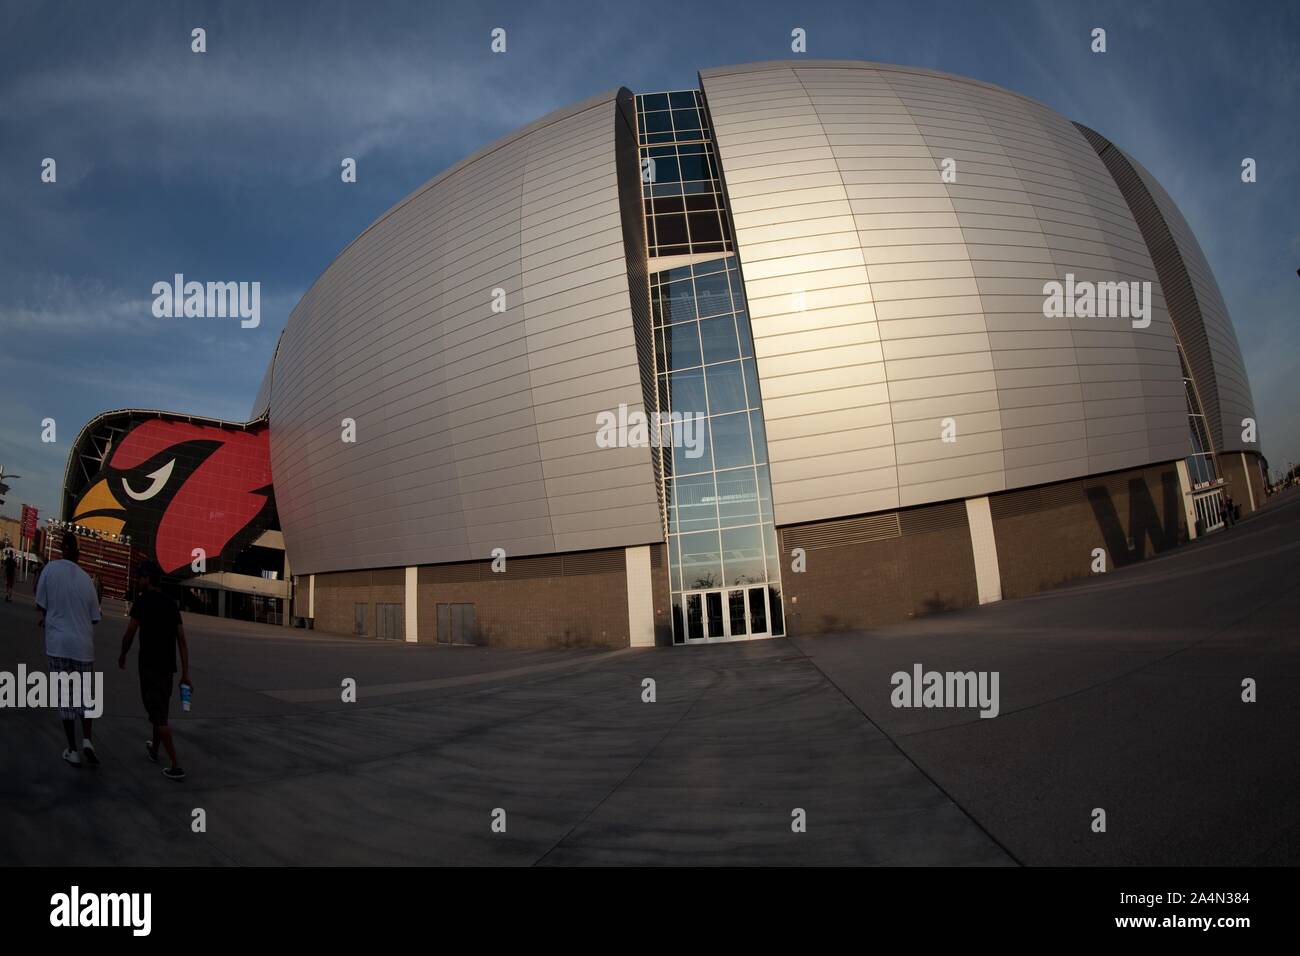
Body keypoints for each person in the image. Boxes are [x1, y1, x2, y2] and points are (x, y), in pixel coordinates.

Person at [118, 561, 190, 781]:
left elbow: (130, 633)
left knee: (158, 716)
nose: (138, 581)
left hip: (150, 668)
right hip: (168, 668)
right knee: (160, 711)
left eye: (140, 577)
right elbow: (181, 639)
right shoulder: (171, 604)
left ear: (148, 579)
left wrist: (123, 654)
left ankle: (176, 764)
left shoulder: (142, 602)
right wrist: (186, 673)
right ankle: (155, 750)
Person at [35, 532, 102, 767]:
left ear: (62, 548)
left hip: (58, 645)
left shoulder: (50, 570)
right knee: (85, 698)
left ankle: (72, 750)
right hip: (83, 647)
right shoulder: (87, 581)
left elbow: (41, 604)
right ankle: (87, 741)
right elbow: (95, 618)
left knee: (66, 699)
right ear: (79, 553)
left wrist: (50, 618)